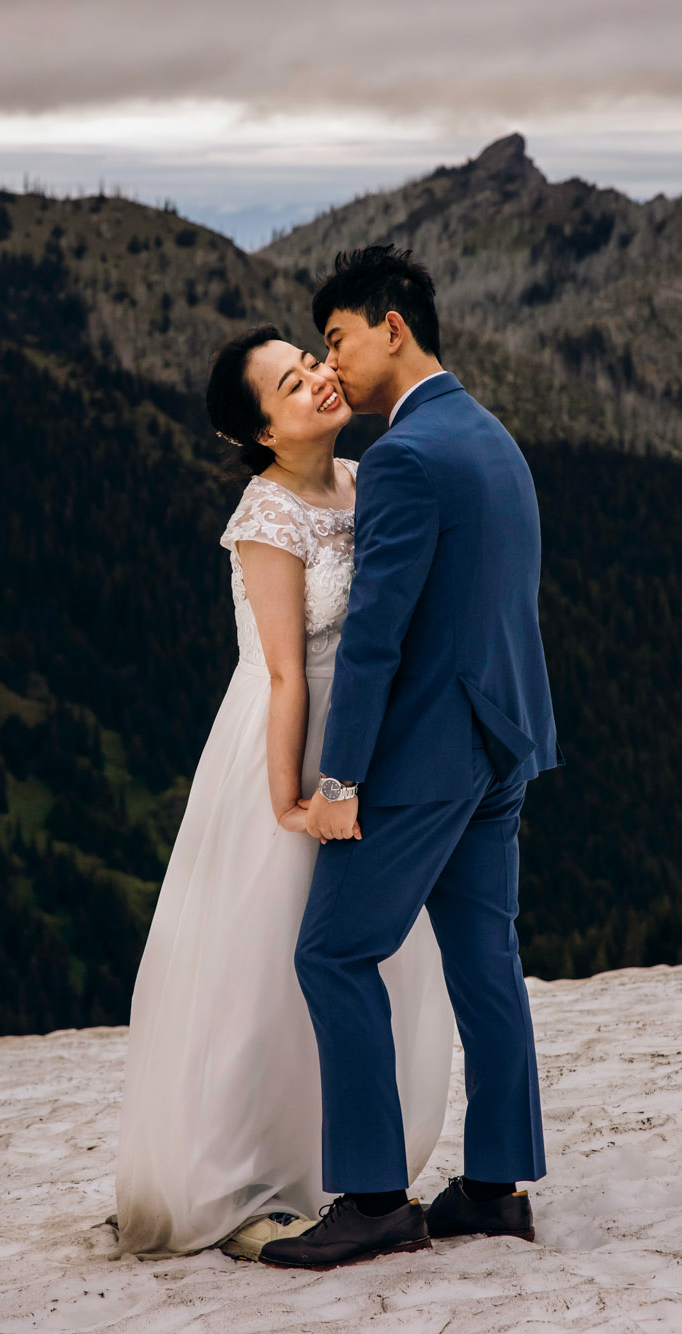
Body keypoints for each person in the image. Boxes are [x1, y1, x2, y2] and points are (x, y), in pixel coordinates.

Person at [112, 324, 454, 1259]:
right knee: (265, 964)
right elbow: (281, 674)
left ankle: (338, 1161)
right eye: (292, 385)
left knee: (357, 960)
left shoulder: (359, 480)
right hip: (291, 749)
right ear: (262, 431)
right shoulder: (266, 516)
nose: (318, 383)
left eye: (311, 364)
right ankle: (248, 1174)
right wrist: (288, 805)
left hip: (364, 745)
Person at [259, 245, 561, 1269]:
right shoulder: (488, 433)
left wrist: (337, 782)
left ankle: (375, 1196)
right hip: (503, 735)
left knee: (332, 951)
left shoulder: (400, 455)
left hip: (429, 750)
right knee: (484, 954)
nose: (331, 363)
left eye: (337, 337)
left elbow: (377, 634)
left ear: (392, 325)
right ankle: (493, 1187)